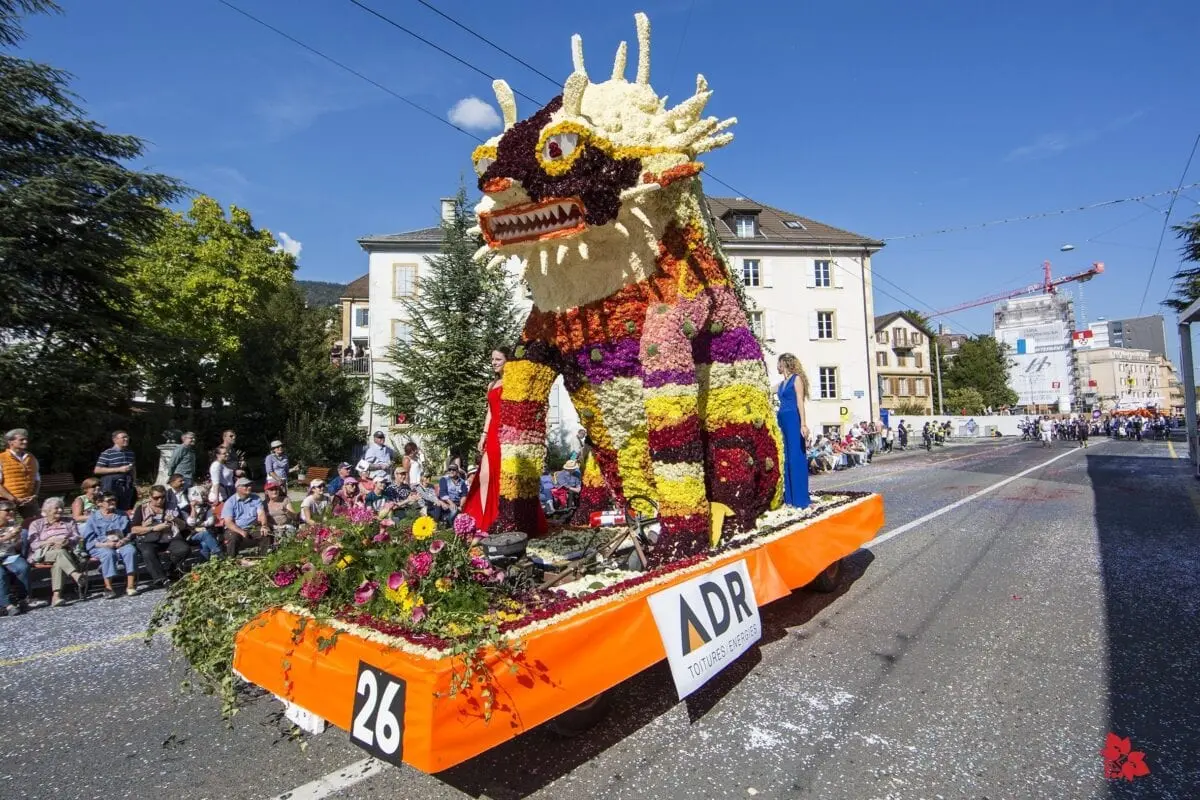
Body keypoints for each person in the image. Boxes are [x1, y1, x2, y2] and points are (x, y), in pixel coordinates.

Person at [462, 347, 511, 533]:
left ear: (508, 360)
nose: (494, 362)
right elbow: (490, 411)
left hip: (506, 434)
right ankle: (482, 520)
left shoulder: (514, 382)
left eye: (498, 359)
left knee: (501, 477)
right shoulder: (491, 385)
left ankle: (501, 518)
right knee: (484, 476)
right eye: (492, 359)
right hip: (491, 434)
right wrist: (483, 434)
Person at [27, 497, 89, 606]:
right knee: (60, 553)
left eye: (61, 508)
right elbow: (34, 544)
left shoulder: (69, 521)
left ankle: (56, 597)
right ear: (47, 510)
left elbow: (76, 537)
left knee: (59, 559)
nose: (60, 510)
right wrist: (50, 542)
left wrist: (67, 541)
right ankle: (75, 575)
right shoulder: (36, 524)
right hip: (44, 553)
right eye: (56, 508)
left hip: (67, 551)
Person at [130, 484, 189, 586]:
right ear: (150, 497)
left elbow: (184, 526)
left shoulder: (173, 507)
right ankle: (161, 578)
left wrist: (175, 519)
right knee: (148, 552)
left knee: (183, 549)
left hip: (169, 537)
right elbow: (134, 529)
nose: (160, 500)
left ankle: (172, 570)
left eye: (163, 497)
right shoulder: (142, 508)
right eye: (156, 498)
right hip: (148, 539)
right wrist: (153, 528)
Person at [83, 492, 139, 598]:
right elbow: (89, 540)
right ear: (99, 503)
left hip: (121, 543)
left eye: (114, 500)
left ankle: (130, 586)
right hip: (101, 546)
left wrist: (124, 540)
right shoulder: (93, 518)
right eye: (109, 500)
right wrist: (106, 544)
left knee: (130, 550)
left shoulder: (122, 514)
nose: (113, 502)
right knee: (108, 554)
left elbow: (130, 532)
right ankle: (108, 588)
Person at [775, 353, 811, 508]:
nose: (777, 366)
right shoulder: (782, 383)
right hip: (782, 420)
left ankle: (801, 499)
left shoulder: (796, 379)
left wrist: (803, 424)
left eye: (778, 363)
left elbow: (800, 402)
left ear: (783, 363)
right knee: (787, 458)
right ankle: (790, 498)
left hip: (793, 420)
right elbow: (766, 390)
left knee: (796, 457)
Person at [221, 478, 270, 556]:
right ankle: (231, 560)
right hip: (235, 529)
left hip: (253, 527)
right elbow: (228, 522)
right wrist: (241, 531)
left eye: (249, 485)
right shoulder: (230, 502)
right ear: (238, 488)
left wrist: (264, 526)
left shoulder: (256, 498)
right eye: (246, 486)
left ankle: (264, 558)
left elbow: (261, 514)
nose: (249, 487)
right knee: (233, 537)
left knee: (266, 534)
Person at [0, 428, 41, 522]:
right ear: (11, 442)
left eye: (26, 439)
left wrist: (34, 495)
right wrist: (14, 499)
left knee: (37, 523)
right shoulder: (1, 458)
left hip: (28, 499)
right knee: (7, 527)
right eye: (21, 440)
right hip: (6, 500)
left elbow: (37, 479)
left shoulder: (31, 458)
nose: (25, 441)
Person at [0, 499, 31, 615]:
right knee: (0, 574)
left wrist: (19, 539)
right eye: (7, 510)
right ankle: (7, 605)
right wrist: (7, 537)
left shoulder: (13, 525)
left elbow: (17, 546)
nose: (11, 512)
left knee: (23, 567)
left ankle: (23, 599)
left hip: (9, 555)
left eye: (13, 510)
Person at [95, 430, 137, 511]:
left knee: (125, 509)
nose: (126, 439)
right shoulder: (107, 453)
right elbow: (97, 470)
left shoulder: (130, 453)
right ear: (115, 440)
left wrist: (134, 481)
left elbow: (133, 468)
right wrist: (119, 469)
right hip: (111, 485)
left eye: (127, 437)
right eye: (123, 437)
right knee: (110, 508)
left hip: (127, 485)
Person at [183, 487, 222, 561]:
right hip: (190, 535)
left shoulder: (207, 507)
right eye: (202, 495)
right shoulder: (185, 509)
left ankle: (204, 563)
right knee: (205, 534)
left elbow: (210, 521)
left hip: (205, 533)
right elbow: (191, 523)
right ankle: (219, 553)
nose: (204, 497)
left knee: (204, 543)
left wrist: (199, 524)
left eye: (204, 495)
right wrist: (193, 508)